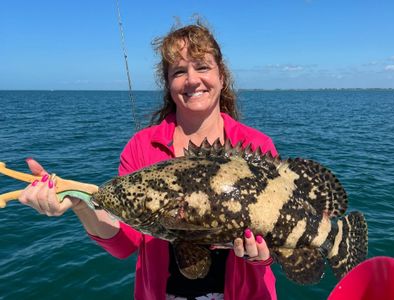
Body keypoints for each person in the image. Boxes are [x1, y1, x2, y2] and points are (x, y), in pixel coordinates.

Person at [19, 21, 279, 300]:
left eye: (202, 66)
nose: (192, 79)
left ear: (222, 76)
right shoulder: (141, 148)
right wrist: (81, 204)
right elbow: (124, 244)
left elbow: (276, 242)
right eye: (179, 71)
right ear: (168, 84)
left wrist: (262, 255)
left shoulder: (256, 146)